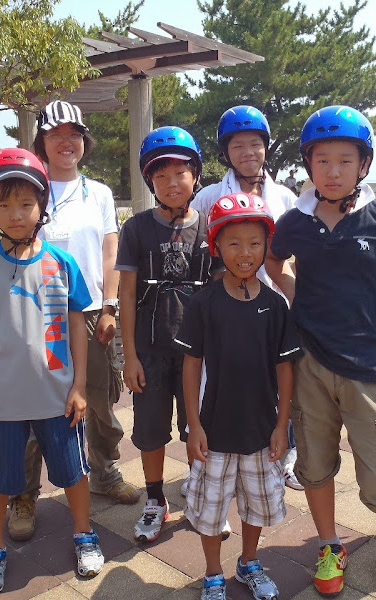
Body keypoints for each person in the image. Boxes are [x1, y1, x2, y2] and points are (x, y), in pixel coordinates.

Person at [265, 106, 376, 600]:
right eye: (322, 160)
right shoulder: (295, 221)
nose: (333, 171)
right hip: (309, 363)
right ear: (308, 164)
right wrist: (293, 290)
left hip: (369, 365)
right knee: (315, 465)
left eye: (345, 160)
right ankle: (330, 547)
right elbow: (273, 259)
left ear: (363, 165)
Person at [0, 148, 103, 596]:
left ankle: (84, 534)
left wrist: (79, 385)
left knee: (74, 472)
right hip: (0, 403)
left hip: (57, 396)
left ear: (42, 204)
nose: (16, 214)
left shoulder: (62, 263)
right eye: (4, 204)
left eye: (26, 203)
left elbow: (77, 326)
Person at [5, 100, 139, 545]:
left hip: (91, 313)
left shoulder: (97, 193)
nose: (66, 142)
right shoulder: (30, 187)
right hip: (37, 312)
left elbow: (110, 251)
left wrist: (109, 306)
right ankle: (23, 495)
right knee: (31, 406)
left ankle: (103, 472)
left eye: (74, 134)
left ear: (84, 141)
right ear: (41, 141)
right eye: (56, 134)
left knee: (99, 400)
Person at [175, 193, 303, 600]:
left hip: (262, 430)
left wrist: (282, 426)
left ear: (267, 246)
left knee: (257, 504)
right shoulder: (204, 303)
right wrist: (193, 424)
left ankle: (249, 562)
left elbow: (285, 368)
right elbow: (191, 365)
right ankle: (213, 574)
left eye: (254, 243)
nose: (244, 253)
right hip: (214, 430)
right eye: (233, 243)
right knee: (210, 510)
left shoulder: (275, 305)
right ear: (216, 246)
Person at [116, 126, 218, 543]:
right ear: (150, 182)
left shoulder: (211, 227)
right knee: (150, 430)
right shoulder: (137, 229)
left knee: (199, 426)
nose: (172, 183)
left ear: (196, 176)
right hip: (151, 349)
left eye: (180, 173)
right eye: (161, 176)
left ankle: (200, 492)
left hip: (198, 353)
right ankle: (156, 499)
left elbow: (222, 292)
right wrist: (130, 357)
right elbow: (126, 294)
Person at [194, 105, 303, 491]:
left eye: (254, 144)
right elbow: (199, 250)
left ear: (266, 147)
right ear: (226, 151)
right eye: (237, 145)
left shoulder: (285, 197)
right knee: (222, 380)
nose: (247, 152)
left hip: (273, 305)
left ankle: (286, 453)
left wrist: (296, 300)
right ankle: (215, 463)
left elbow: (291, 258)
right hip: (225, 308)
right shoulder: (208, 196)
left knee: (281, 378)